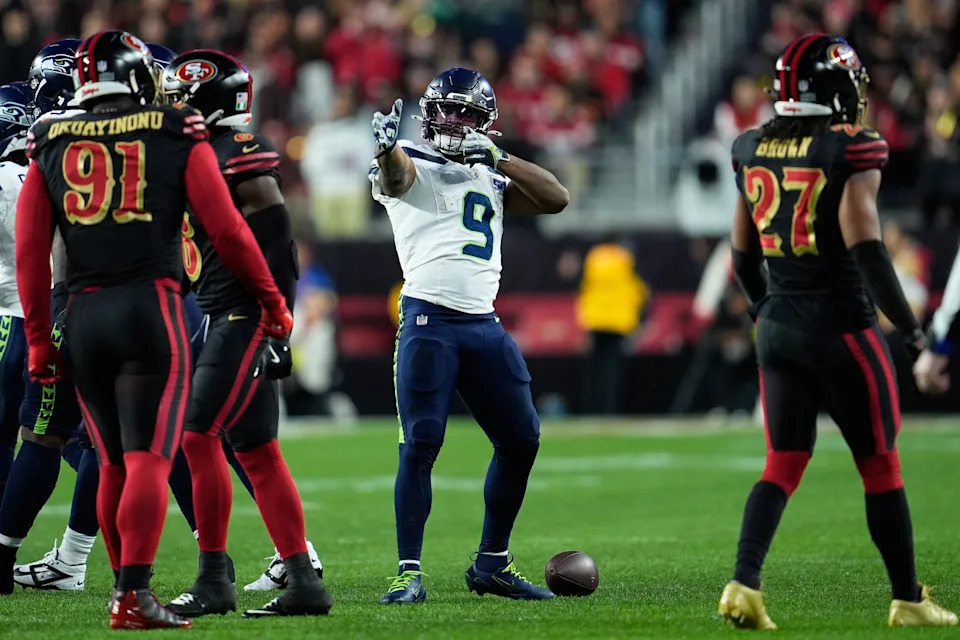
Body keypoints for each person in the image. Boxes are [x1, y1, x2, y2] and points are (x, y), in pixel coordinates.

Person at [15, 30, 292, 629]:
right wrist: (271, 301)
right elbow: (227, 231)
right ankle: (133, 596)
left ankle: (121, 589)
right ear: (140, 77)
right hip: (151, 307)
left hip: (81, 313)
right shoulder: (173, 131)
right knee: (147, 458)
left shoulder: (49, 138)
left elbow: (32, 252)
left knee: (110, 462)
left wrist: (40, 338)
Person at [717, 34, 956, 629]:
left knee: (782, 464)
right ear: (836, 91)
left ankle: (745, 584)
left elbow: (742, 257)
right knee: (880, 468)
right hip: (843, 328)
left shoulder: (753, 146)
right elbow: (868, 248)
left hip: (777, 328)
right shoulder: (851, 147)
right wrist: (910, 328)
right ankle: (907, 598)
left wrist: (765, 311)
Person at [370, 68, 569, 604]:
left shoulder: (491, 171)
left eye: (468, 113)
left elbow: (557, 198)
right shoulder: (410, 156)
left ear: (486, 123)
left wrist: (498, 158)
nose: (456, 121)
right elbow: (394, 179)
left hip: (483, 324)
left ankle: (491, 564)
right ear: (429, 113)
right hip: (429, 321)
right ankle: (407, 572)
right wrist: (388, 148)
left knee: (521, 439)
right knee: (422, 444)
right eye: (448, 110)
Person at [160, 49, 331, 618]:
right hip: (224, 309)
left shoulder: (236, 152)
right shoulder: (198, 151)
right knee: (256, 450)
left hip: (242, 312)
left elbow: (279, 239)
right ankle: (304, 581)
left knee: (196, 433)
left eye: (181, 94)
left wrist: (276, 318)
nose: (171, 103)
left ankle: (214, 578)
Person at [0, 40, 90, 594]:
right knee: (129, 445)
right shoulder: (143, 134)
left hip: (51, 309)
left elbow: (37, 255)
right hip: (146, 304)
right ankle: (107, 569)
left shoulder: (41, 146)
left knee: (40, 436)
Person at [0, 82, 33, 501]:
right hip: (55, 312)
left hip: (11, 317)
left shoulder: (4, 178)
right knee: (65, 434)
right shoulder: (46, 169)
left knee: (7, 434)